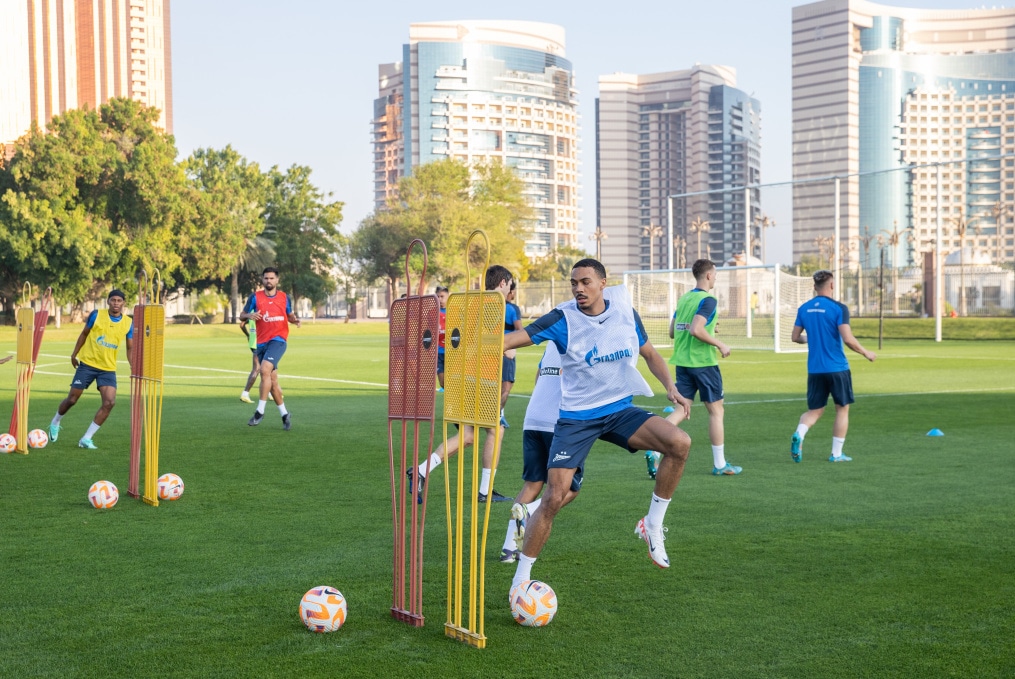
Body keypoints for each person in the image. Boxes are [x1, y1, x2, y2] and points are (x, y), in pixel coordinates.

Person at [503, 258, 693, 590]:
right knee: (554, 498)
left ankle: (652, 523)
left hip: (619, 411)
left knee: (679, 443)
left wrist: (670, 386)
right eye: (574, 282)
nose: (578, 288)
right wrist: (468, 342)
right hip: (577, 419)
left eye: (586, 282)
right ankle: (521, 579)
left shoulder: (625, 312)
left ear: (603, 283)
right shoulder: (562, 318)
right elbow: (509, 341)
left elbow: (650, 354)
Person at [407, 266, 515, 503]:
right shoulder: (495, 304)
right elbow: (487, 339)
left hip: (459, 376)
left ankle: (421, 471)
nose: (510, 290)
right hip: (479, 376)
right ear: (503, 282)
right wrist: (506, 347)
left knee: (467, 436)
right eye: (509, 285)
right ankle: (485, 492)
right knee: (496, 430)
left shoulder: (470, 303)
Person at [790, 269, 876, 462]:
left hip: (815, 370)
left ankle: (799, 434)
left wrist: (811, 338)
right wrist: (865, 352)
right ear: (831, 285)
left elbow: (795, 337)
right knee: (842, 409)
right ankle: (836, 454)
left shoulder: (804, 308)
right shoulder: (839, 308)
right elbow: (848, 339)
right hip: (837, 368)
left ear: (814, 287)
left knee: (815, 410)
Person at [666, 258, 742, 476]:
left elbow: (673, 331)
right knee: (716, 412)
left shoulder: (684, 299)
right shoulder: (708, 300)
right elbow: (695, 330)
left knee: (681, 409)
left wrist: (709, 329)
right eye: (715, 274)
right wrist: (720, 344)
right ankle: (719, 464)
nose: (716, 277)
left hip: (683, 363)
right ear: (708, 275)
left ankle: (654, 449)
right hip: (704, 364)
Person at [498, 344, 573, 563]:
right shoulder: (580, 339)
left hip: (532, 419)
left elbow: (540, 375)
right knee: (570, 488)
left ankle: (509, 549)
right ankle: (530, 510)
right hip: (557, 423)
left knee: (532, 483)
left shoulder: (551, 344)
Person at [48, 290, 134, 449]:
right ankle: (55, 421)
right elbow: (84, 334)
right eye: (113, 300)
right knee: (72, 400)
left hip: (107, 369)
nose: (116, 303)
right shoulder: (96, 315)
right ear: (108, 302)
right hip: (87, 365)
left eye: (119, 301)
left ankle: (86, 439)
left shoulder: (128, 323)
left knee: (109, 402)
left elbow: (130, 348)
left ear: (123, 303)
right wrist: (74, 354)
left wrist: (132, 365)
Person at [239, 267, 301, 430]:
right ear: (262, 280)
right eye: (266, 278)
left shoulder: (284, 297)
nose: (269, 281)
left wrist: (294, 320)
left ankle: (260, 411)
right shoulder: (255, 297)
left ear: (277, 280)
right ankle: (285, 414)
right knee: (272, 382)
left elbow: (289, 316)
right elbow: (241, 315)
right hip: (261, 343)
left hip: (278, 341)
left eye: (272, 278)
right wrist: (249, 315)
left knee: (264, 370)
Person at [500, 280, 523, 427]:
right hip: (505, 350)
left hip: (487, 350)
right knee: (506, 386)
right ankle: (498, 415)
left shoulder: (487, 305)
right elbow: (520, 330)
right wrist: (512, 346)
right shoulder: (513, 308)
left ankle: (492, 414)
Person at [239, 317, 260, 403]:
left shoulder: (251, 312)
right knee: (257, 369)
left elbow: (242, 324)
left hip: (252, 342)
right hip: (259, 343)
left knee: (266, 368)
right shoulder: (260, 314)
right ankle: (245, 393)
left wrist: (248, 335)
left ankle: (271, 393)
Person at [435, 285, 449, 391]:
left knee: (453, 381)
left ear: (448, 296)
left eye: (442, 296)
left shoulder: (455, 311)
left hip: (451, 351)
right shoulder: (432, 313)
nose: (440, 299)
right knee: (443, 383)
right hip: (438, 352)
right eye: (438, 296)